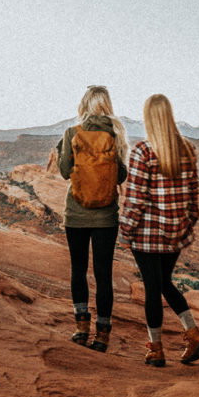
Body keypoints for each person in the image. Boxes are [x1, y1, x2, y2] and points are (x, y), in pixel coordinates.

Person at [119, 93, 199, 367]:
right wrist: (186, 224)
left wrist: (125, 233)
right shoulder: (187, 149)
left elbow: (136, 199)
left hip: (147, 235)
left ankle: (156, 350)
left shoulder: (142, 151)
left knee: (152, 289)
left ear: (149, 119)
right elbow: (193, 195)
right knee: (163, 283)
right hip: (175, 234)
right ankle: (193, 333)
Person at [55, 85, 128, 352]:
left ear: (84, 105)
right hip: (106, 217)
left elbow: (64, 172)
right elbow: (121, 177)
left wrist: (62, 147)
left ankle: (81, 328)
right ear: (106, 105)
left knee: (78, 270)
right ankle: (103, 334)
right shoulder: (115, 134)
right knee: (103, 275)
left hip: (75, 214)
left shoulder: (72, 133)